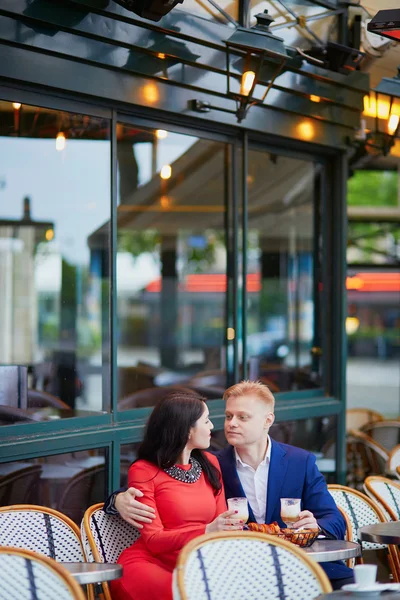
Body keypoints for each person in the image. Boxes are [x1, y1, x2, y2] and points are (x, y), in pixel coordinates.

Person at [105, 380, 354, 590]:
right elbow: (160, 479)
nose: (231, 423)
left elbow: (335, 520)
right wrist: (116, 500)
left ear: (268, 420)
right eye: (228, 416)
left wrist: (316, 525)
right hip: (243, 569)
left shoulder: (301, 462)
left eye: (242, 417)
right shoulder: (215, 464)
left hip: (299, 562)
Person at [109, 390, 237, 600]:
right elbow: (154, 540)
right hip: (150, 566)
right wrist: (206, 530)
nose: (212, 426)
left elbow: (222, 525)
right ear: (187, 430)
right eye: (206, 421)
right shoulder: (143, 471)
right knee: (188, 593)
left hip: (197, 563)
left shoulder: (211, 464)